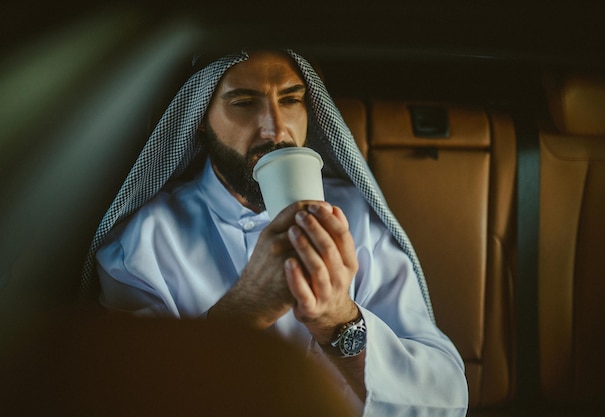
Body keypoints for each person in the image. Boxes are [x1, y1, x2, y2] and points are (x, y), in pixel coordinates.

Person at [84, 49, 468, 416]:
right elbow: (125, 400)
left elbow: (446, 401)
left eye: (290, 100)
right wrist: (245, 309)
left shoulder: (359, 220)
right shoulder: (142, 244)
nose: (276, 130)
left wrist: (338, 320)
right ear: (199, 115)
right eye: (244, 102)